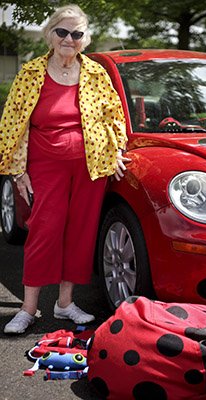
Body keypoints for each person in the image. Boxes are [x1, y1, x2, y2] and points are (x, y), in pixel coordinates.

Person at [1, 4, 130, 334]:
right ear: (50, 34)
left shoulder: (96, 74)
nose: (68, 39)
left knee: (80, 232)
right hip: (46, 165)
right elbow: (12, 123)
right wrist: (18, 170)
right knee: (44, 230)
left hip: (91, 167)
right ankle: (29, 309)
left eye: (76, 34)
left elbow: (113, 116)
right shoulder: (31, 73)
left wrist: (116, 150)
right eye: (62, 32)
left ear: (84, 39)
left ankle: (64, 304)